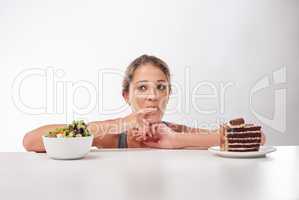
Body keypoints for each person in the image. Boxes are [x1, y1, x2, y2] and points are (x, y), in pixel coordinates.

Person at [23, 54, 265, 152]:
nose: (153, 96)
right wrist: (118, 123)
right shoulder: (110, 136)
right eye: (142, 88)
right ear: (126, 96)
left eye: (161, 87)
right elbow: (31, 141)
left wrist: (178, 140)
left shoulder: (177, 131)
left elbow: (259, 139)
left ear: (169, 94)